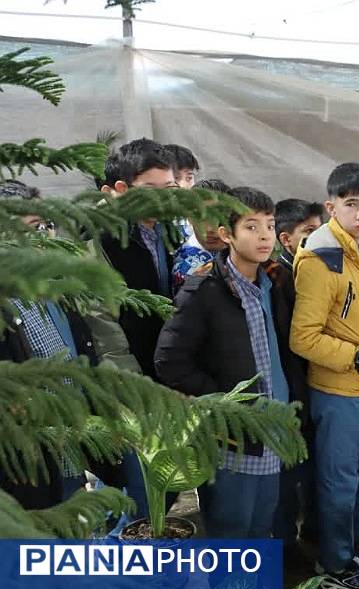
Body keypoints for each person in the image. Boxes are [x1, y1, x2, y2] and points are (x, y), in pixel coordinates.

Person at [154, 186, 308, 540]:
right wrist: (227, 400)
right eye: (251, 227)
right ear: (227, 235)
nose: (264, 236)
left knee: (262, 524)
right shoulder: (204, 289)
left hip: (276, 427)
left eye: (268, 225)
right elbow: (169, 361)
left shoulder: (276, 281)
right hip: (232, 437)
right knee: (231, 525)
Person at [289, 162, 359, 589]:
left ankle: (341, 548)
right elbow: (302, 336)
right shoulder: (320, 259)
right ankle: (334, 563)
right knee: (340, 480)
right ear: (332, 207)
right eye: (352, 204)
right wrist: (355, 357)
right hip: (338, 390)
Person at [0, 179, 94, 508]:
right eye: (30, 227)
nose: (42, 237)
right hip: (27, 456)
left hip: (71, 441)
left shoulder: (53, 285)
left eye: (44, 226)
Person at [97, 138, 177, 379]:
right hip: (136, 375)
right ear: (122, 189)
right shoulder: (103, 240)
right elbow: (103, 324)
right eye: (151, 190)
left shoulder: (172, 231)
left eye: (170, 189)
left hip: (172, 365)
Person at [270, 197, 322, 557]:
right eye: (309, 232)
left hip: (316, 384)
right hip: (292, 387)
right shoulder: (278, 279)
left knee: (314, 467)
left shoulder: (317, 268)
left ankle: (313, 531)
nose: (319, 238)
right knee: (289, 471)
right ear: (286, 239)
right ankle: (287, 543)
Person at [171, 179, 230, 291]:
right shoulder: (186, 267)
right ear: (189, 218)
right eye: (201, 218)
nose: (210, 229)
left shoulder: (250, 254)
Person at [275, 198, 323, 270]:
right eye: (310, 230)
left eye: (320, 229)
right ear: (286, 239)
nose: (320, 236)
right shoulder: (276, 276)